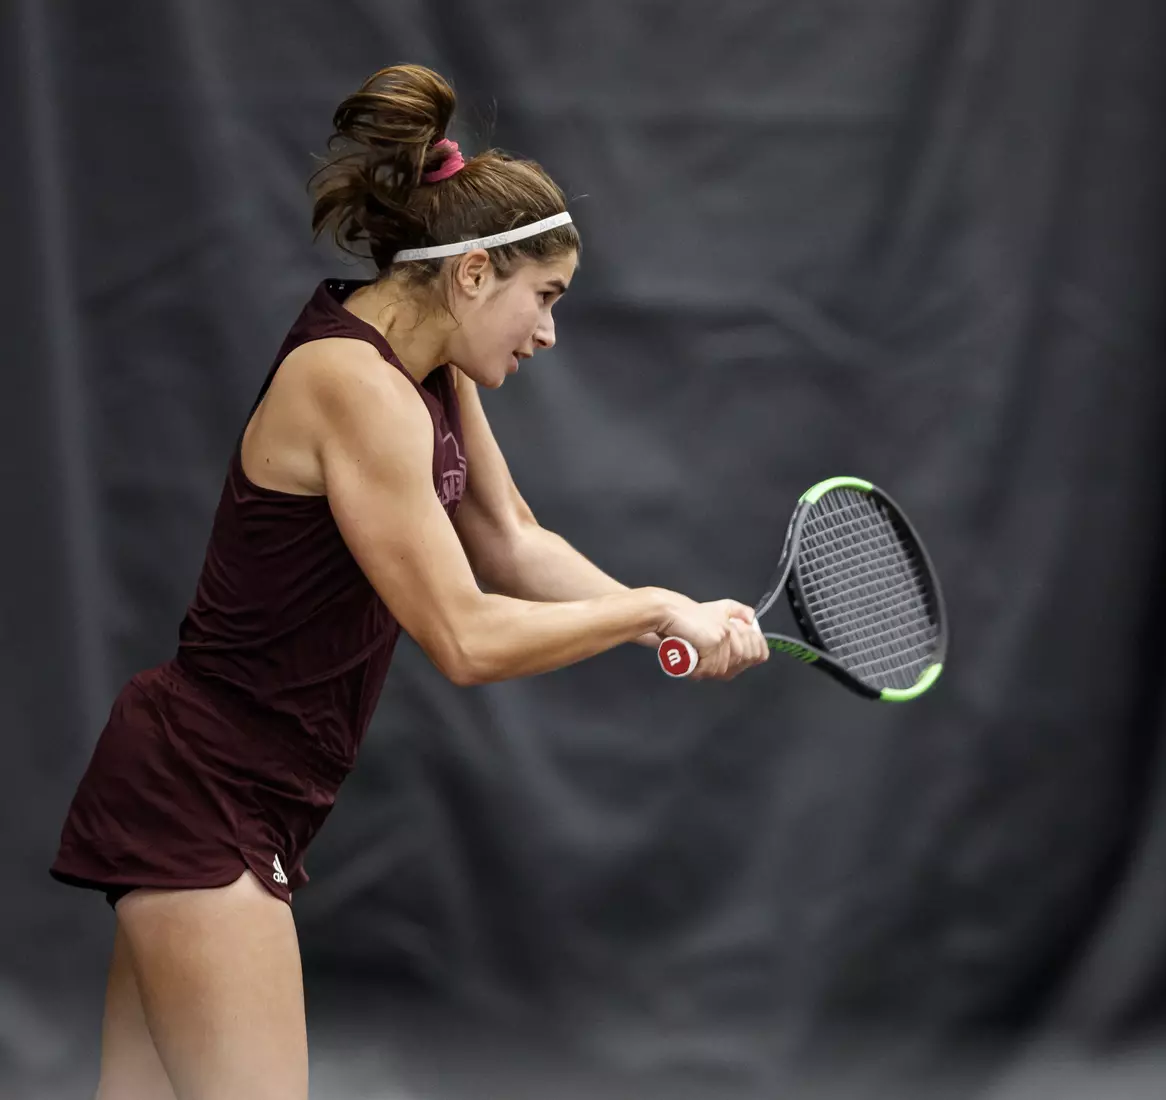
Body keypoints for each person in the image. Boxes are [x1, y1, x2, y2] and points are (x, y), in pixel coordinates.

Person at [49, 63, 767, 1100]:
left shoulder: (421, 372)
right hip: (202, 792)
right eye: (545, 296)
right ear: (472, 273)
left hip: (225, 790)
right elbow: (465, 637)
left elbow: (513, 538)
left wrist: (682, 610)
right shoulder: (354, 384)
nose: (550, 332)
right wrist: (647, 610)